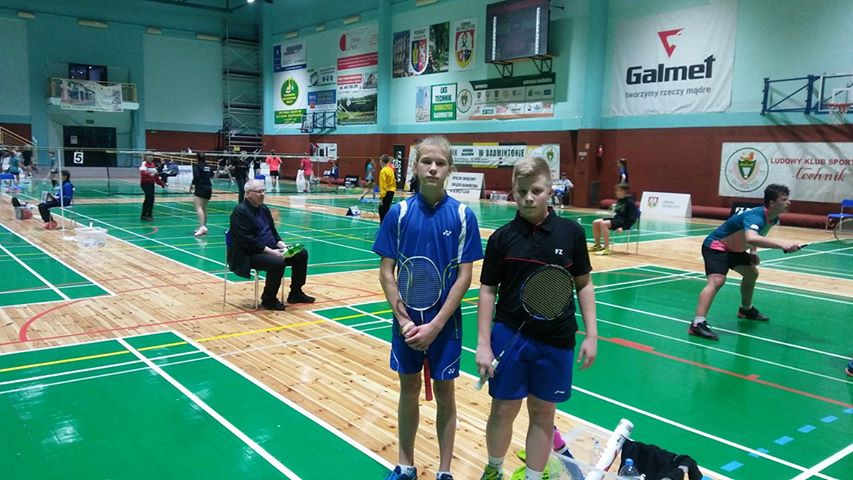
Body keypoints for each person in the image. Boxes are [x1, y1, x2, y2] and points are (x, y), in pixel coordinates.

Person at [476, 155, 597, 480]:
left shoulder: (571, 233)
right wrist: (483, 344)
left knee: (543, 414)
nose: (529, 198)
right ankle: (494, 470)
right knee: (502, 410)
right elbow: (487, 291)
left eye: (537, 191)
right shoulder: (501, 238)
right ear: (513, 192)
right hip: (509, 335)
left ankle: (532, 476)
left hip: (556, 340)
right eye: (522, 191)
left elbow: (584, 284)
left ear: (550, 190)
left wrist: (591, 334)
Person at [373, 136, 483, 480]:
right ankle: (406, 465)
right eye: (427, 162)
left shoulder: (463, 216)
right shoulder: (399, 214)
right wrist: (404, 321)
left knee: (446, 393)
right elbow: (386, 272)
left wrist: (435, 326)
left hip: (445, 326)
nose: (433, 168)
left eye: (440, 163)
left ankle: (444, 471)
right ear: (416, 166)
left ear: (450, 169)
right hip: (406, 324)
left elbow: (465, 277)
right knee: (408, 390)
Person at [689, 184, 803, 340]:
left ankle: (746, 309)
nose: (788, 202)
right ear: (772, 203)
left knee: (751, 273)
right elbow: (751, 237)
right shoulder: (755, 216)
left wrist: (752, 252)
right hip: (716, 246)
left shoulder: (773, 217)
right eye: (784, 199)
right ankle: (697, 323)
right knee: (717, 281)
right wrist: (782, 244)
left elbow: (758, 234)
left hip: (734, 249)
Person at [228, 179, 315, 310]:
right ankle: (269, 299)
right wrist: (271, 251)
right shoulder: (239, 212)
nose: (262, 194)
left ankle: (296, 293)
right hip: (249, 254)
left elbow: (273, 232)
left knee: (301, 254)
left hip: (271, 249)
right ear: (248, 193)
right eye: (259, 192)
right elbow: (246, 241)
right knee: (277, 262)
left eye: (263, 191)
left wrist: (282, 246)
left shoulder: (264, 209)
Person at [590, 183, 639, 256]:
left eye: (619, 191)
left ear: (624, 191)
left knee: (603, 224)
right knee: (595, 222)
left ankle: (606, 249)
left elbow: (633, 218)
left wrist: (623, 227)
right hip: (617, 219)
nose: (616, 192)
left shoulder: (630, 202)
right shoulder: (620, 200)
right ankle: (597, 245)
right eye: (617, 190)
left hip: (623, 221)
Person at [191, 152, 213, 237]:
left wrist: (192, 184)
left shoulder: (196, 166)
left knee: (198, 207)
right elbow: (211, 175)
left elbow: (196, 176)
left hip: (200, 188)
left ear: (197, 158)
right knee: (204, 208)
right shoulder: (208, 166)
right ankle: (203, 226)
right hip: (208, 188)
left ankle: (202, 227)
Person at [139, 156, 165, 221]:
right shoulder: (144, 164)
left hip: (151, 184)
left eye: (151, 158)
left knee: (148, 199)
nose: (150, 159)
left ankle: (144, 215)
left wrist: (161, 183)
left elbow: (156, 177)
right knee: (150, 199)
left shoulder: (153, 165)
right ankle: (148, 215)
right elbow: (143, 173)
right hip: (145, 184)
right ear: (146, 158)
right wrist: (150, 174)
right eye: (149, 157)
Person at [378, 154, 396, 223]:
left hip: (386, 192)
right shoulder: (390, 169)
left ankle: (383, 227)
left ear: (382, 161)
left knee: (382, 211)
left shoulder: (383, 171)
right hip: (391, 192)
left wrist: (381, 197)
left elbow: (383, 185)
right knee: (387, 210)